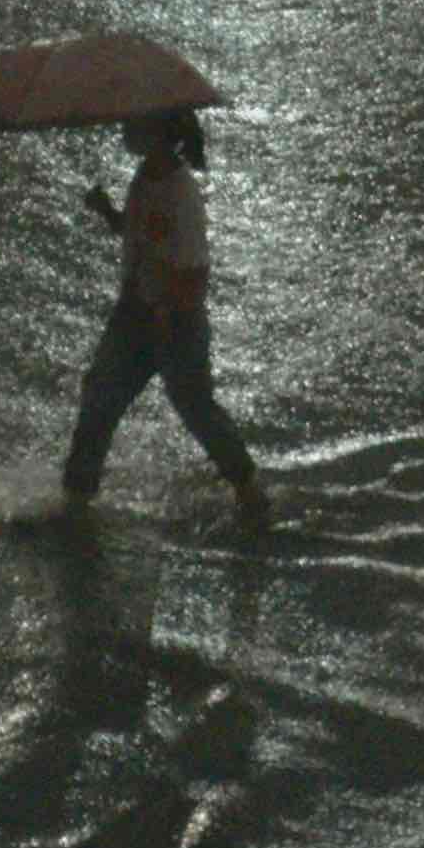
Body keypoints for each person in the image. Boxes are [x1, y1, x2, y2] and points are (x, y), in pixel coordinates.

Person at [61, 110, 269, 532]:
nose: (125, 128)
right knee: (100, 397)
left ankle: (248, 487)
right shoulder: (145, 176)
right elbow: (143, 234)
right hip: (135, 312)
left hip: (173, 320)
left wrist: (164, 313)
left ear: (159, 132)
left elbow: (194, 272)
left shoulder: (180, 191)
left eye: (135, 123)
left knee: (195, 407)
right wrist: (108, 213)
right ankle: (76, 499)